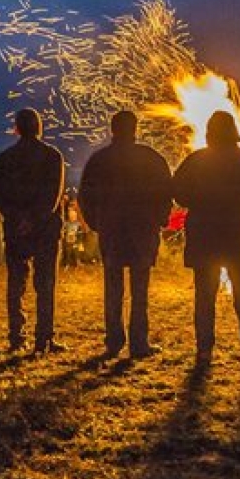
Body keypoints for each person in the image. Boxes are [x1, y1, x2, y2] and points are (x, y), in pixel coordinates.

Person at [173, 111, 240, 365]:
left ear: (209, 132)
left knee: (205, 295)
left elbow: (179, 195)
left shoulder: (196, 160)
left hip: (205, 234)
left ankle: (204, 349)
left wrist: (202, 201)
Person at [79, 110, 173, 359]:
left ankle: (114, 340)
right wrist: (160, 220)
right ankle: (138, 342)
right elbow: (166, 191)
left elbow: (86, 195)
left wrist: (97, 223)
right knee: (140, 289)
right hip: (142, 229)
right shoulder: (150, 158)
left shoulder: (100, 160)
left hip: (112, 230)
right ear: (135, 128)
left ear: (113, 129)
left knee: (113, 288)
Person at [0, 108, 67, 353]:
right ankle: (44, 338)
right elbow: (52, 196)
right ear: (39, 127)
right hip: (44, 229)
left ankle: (16, 335)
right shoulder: (52, 156)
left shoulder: (6, 157)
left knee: (16, 283)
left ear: (17, 128)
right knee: (45, 284)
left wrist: (15, 215)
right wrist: (34, 219)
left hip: (15, 228)